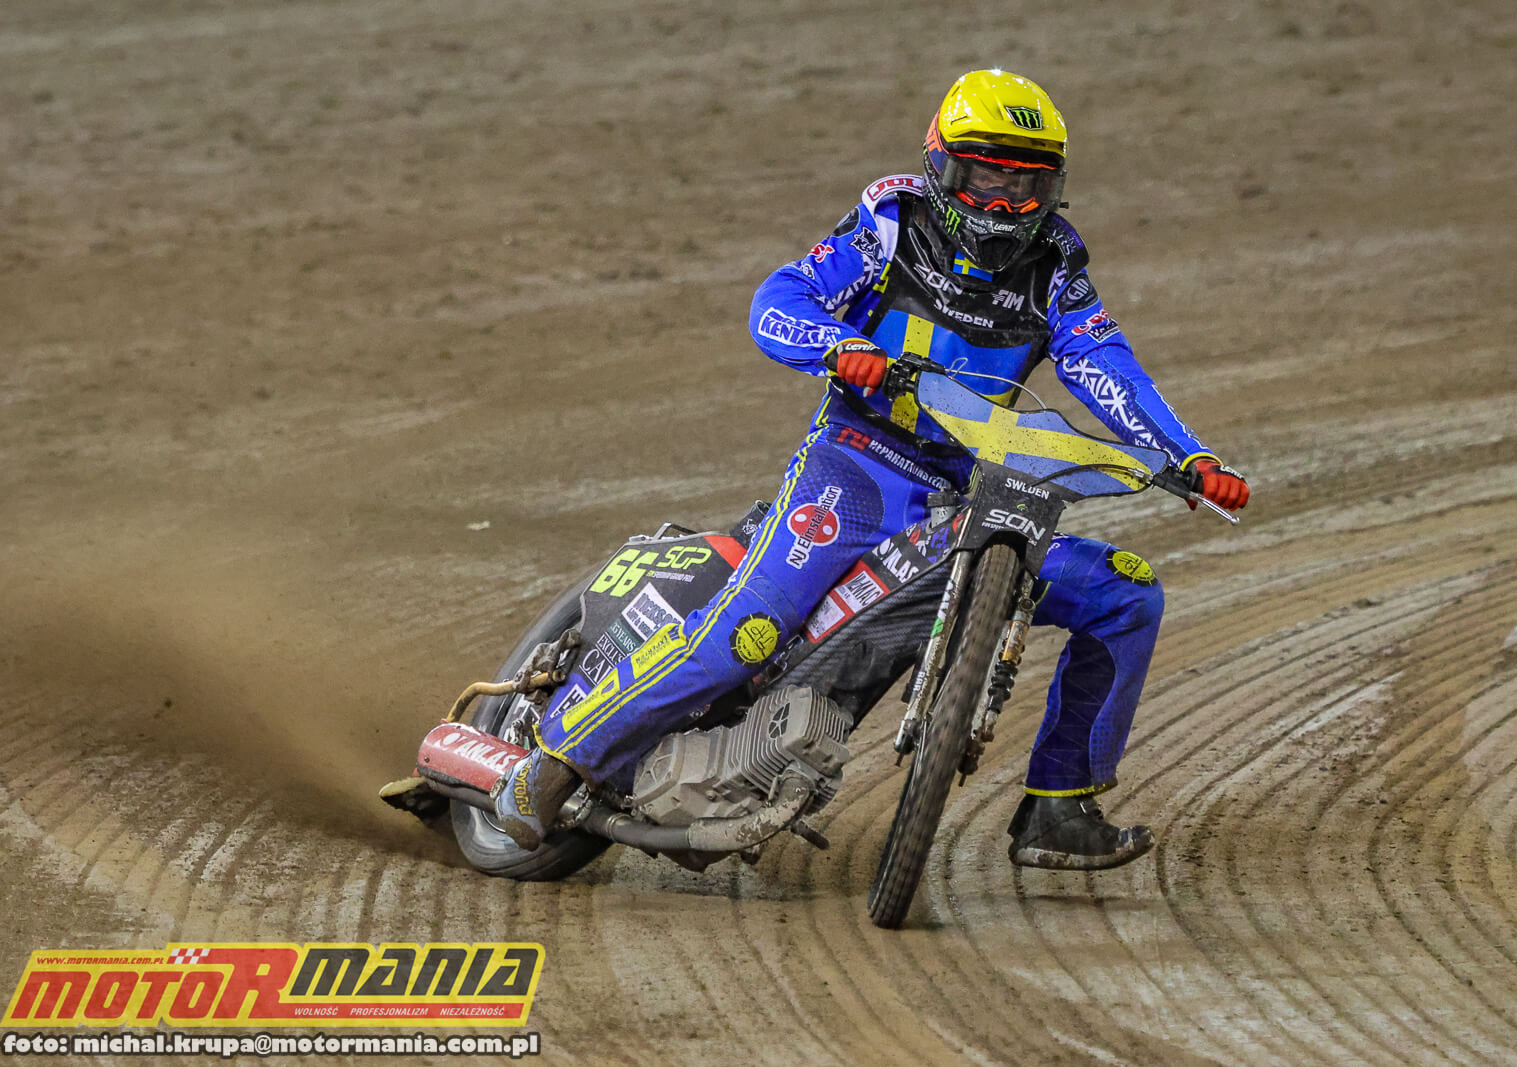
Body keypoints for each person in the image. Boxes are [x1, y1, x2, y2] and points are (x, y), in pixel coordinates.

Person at [495, 69, 1249, 871]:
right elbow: (779, 298)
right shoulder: (892, 224)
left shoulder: (1056, 268)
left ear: (1053, 187)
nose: (1003, 204)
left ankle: (1059, 808)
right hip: (853, 467)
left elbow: (1107, 367)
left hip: (969, 500)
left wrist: (1189, 455)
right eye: (987, 177)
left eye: (1026, 184)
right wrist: (839, 345)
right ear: (943, 167)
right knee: (748, 631)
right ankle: (554, 760)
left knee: (1126, 593)